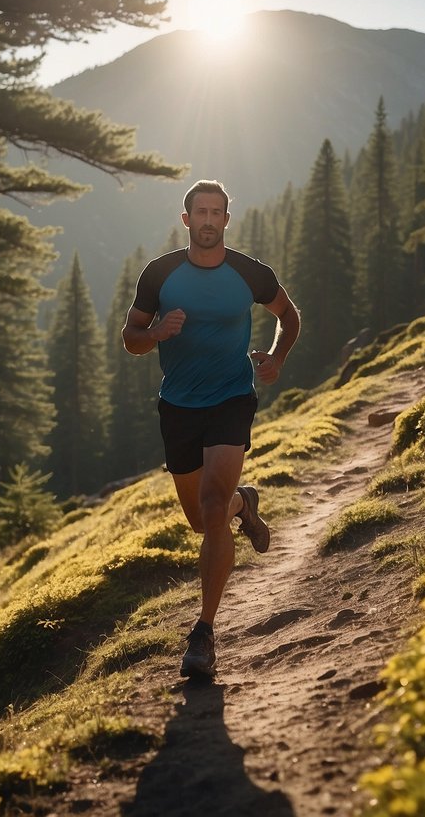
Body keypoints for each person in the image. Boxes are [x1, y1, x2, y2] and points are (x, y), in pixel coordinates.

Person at [122, 179, 301, 679]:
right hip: (178, 407)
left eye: (215, 212)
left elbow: (288, 315)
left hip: (230, 399)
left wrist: (277, 359)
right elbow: (130, 337)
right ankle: (247, 502)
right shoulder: (159, 275)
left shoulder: (248, 272)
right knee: (203, 522)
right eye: (199, 211)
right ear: (186, 220)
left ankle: (203, 633)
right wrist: (155, 333)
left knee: (212, 506)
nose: (207, 220)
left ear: (226, 219)